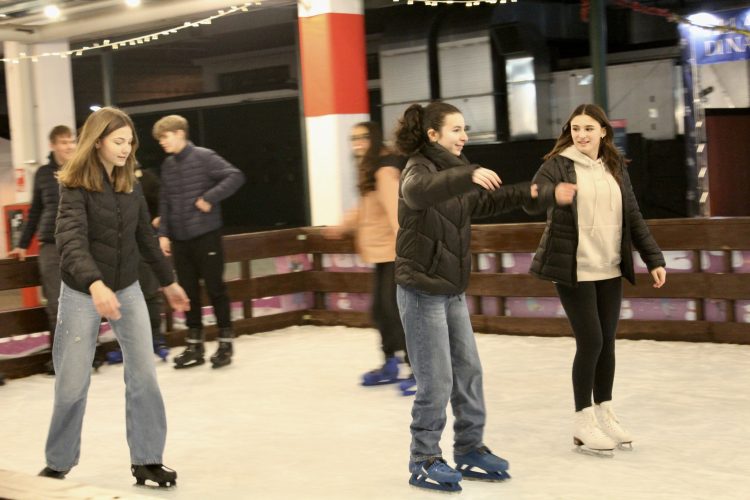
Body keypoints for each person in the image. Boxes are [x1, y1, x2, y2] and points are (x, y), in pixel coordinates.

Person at [393, 101, 576, 492]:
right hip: (422, 292)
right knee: (436, 381)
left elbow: (493, 200)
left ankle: (470, 448)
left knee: (469, 372)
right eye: (456, 129)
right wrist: (467, 175)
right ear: (433, 135)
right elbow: (419, 194)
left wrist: (543, 192)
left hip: (452, 292)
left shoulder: (459, 174)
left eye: (465, 129)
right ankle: (423, 457)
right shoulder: (418, 168)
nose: (464, 136)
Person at [39, 107, 190, 487]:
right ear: (99, 141)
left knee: (144, 374)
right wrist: (94, 284)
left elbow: (145, 237)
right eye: (118, 141)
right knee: (72, 383)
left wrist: (169, 281)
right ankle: (57, 463)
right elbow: (69, 242)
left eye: (129, 142)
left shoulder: (129, 185)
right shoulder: (74, 184)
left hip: (126, 287)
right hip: (81, 293)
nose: (125, 149)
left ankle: (147, 459)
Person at [527, 103, 666, 457]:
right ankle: (582, 420)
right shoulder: (558, 164)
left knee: (607, 341)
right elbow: (534, 198)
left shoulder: (614, 166)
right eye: (576, 128)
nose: (582, 135)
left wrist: (653, 258)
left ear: (603, 131)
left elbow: (632, 213)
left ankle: (604, 410)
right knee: (590, 341)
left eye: (589, 128)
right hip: (573, 268)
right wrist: (548, 194)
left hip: (609, 266)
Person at [323, 122, 414, 395]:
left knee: (394, 311)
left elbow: (396, 211)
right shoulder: (371, 167)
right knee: (380, 311)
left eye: (363, 137)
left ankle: (418, 368)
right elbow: (366, 207)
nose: (357, 143)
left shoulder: (385, 170)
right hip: (381, 253)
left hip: (395, 252)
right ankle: (390, 362)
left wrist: (407, 249)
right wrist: (343, 225)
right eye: (353, 139)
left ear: (374, 138)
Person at [153, 115, 245, 369]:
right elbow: (165, 201)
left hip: (206, 235)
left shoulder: (204, 157)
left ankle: (225, 343)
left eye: (165, 136)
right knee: (188, 294)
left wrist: (210, 197)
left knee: (216, 289)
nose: (162, 142)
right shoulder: (168, 165)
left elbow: (234, 176)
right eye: (160, 138)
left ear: (180, 133)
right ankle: (195, 346)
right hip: (181, 241)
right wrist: (163, 234)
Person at [9, 126, 76, 375]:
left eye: (71, 141)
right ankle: (60, 359)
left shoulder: (81, 170)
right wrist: (22, 244)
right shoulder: (43, 174)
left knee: (83, 302)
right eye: (63, 142)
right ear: (53, 146)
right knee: (57, 304)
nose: (69, 146)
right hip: (50, 244)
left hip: (79, 243)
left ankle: (88, 356)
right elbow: (35, 210)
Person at [105, 163, 169, 364]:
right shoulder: (106, 180)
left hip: (143, 242)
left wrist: (160, 220)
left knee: (149, 292)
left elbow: (163, 201)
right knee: (121, 296)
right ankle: (126, 345)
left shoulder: (147, 178)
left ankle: (156, 339)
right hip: (118, 247)